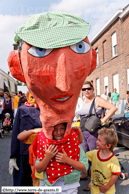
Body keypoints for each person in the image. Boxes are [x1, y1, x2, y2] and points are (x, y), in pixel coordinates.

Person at [8, 11, 97, 193]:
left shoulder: (72, 137)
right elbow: (20, 138)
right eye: (40, 50)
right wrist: (15, 154)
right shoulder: (38, 133)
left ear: (92, 61)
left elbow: (82, 165)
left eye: (80, 47)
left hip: (69, 182)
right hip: (45, 179)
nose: (63, 85)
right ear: (17, 67)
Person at [77, 81, 117, 190]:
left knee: (95, 158)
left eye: (88, 88)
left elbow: (113, 108)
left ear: (92, 89)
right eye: (84, 89)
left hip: (93, 133)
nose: (86, 91)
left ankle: (94, 182)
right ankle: (85, 174)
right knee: (84, 156)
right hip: (82, 132)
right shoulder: (84, 101)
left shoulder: (97, 100)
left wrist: (103, 120)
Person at [9, 91, 42, 192]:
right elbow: (15, 133)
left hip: (41, 152)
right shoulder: (22, 109)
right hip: (24, 152)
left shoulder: (46, 109)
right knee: (23, 183)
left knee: (39, 183)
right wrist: (13, 156)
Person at [86, 127, 121, 194]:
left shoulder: (113, 159)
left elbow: (115, 175)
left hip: (108, 191)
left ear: (108, 146)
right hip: (95, 190)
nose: (96, 141)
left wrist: (107, 187)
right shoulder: (94, 153)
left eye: (99, 140)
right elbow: (83, 157)